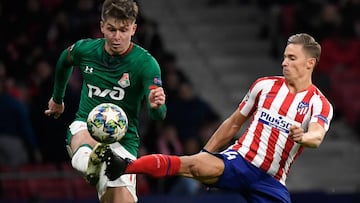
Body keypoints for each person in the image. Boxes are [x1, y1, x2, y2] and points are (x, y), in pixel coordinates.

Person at [105, 33, 334, 203]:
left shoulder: (319, 103)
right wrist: (206, 154)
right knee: (193, 165)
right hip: (240, 161)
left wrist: (303, 136)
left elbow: (316, 136)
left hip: (271, 181)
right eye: (284, 57)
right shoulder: (264, 86)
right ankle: (125, 166)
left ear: (310, 63)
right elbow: (234, 122)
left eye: (292, 58)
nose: (284, 62)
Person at [44, 0, 166, 202]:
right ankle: (91, 163)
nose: (117, 37)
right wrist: (57, 99)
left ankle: (96, 165)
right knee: (85, 140)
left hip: (124, 140)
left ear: (133, 29)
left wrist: (157, 106)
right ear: (102, 26)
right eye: (111, 29)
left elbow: (159, 116)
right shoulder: (85, 49)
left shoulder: (146, 63)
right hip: (86, 124)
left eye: (123, 30)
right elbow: (64, 62)